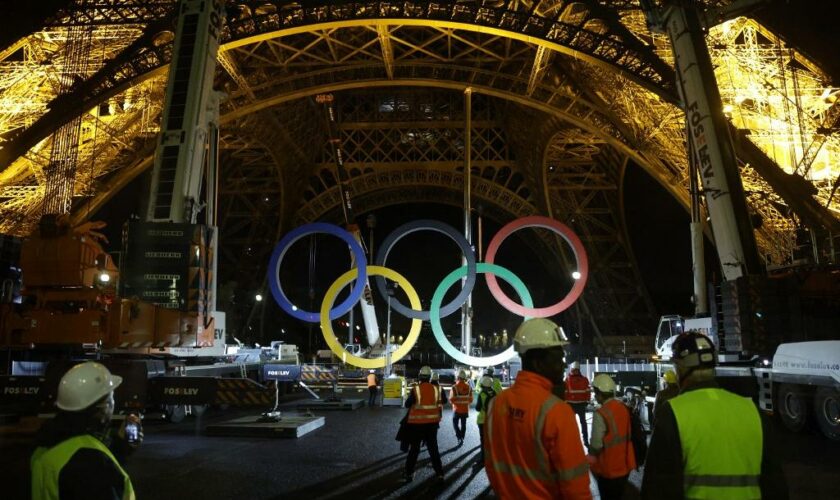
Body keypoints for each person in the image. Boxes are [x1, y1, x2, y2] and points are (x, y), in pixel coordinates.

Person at [641, 331, 789, 500]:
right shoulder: (752, 411)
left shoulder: (672, 413)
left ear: (680, 368)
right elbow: (776, 485)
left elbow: (657, 488)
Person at [484, 318, 591, 499]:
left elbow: (491, 462)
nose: (563, 365)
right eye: (558, 359)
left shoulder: (496, 404)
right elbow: (576, 486)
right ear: (538, 363)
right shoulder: (557, 412)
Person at [31, 362, 142, 500]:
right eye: (111, 398)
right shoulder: (92, 462)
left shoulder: (44, 445)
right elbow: (92, 474)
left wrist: (120, 449)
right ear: (102, 408)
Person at [587, 374, 635, 500]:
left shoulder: (601, 414)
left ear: (599, 393)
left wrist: (590, 457)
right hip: (625, 464)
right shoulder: (623, 408)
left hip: (608, 469)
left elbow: (596, 445)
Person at [403, 365, 447, 482]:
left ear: (420, 376)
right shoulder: (437, 389)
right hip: (432, 424)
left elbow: (407, 404)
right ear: (430, 377)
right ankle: (440, 474)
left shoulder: (415, 389)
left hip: (416, 424)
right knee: (433, 450)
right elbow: (443, 401)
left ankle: (409, 474)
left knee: (414, 450)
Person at [564, 361, 591, 448]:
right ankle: (585, 441)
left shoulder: (567, 379)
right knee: (582, 423)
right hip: (579, 405)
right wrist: (587, 401)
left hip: (572, 405)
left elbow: (565, 393)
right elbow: (588, 392)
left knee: (572, 424)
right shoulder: (584, 379)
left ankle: (571, 441)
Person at [475, 375, 497, 461]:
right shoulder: (494, 393)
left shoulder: (482, 394)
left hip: (482, 420)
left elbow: (477, 408)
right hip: (492, 420)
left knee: (483, 440)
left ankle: (483, 459)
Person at [450, 369, 472, 447]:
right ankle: (462, 437)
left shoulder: (454, 387)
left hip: (456, 409)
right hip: (465, 409)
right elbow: (471, 399)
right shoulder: (469, 387)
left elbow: (451, 399)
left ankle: (459, 437)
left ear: (458, 377)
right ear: (465, 377)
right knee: (464, 424)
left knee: (455, 423)